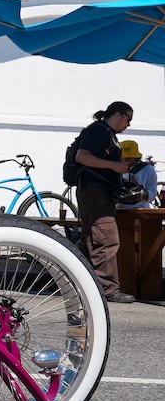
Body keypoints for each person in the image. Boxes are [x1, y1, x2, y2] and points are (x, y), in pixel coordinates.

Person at [74, 101, 136, 303]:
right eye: (129, 119)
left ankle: (71, 279)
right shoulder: (99, 131)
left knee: (91, 239)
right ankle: (108, 289)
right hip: (95, 192)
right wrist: (114, 166)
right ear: (118, 115)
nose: (129, 125)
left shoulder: (105, 132)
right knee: (106, 239)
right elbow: (82, 156)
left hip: (96, 192)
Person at [118, 140, 157, 210]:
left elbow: (153, 193)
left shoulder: (148, 170)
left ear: (135, 156)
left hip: (140, 209)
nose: (125, 160)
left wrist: (141, 195)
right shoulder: (113, 167)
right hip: (118, 209)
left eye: (129, 158)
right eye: (123, 157)